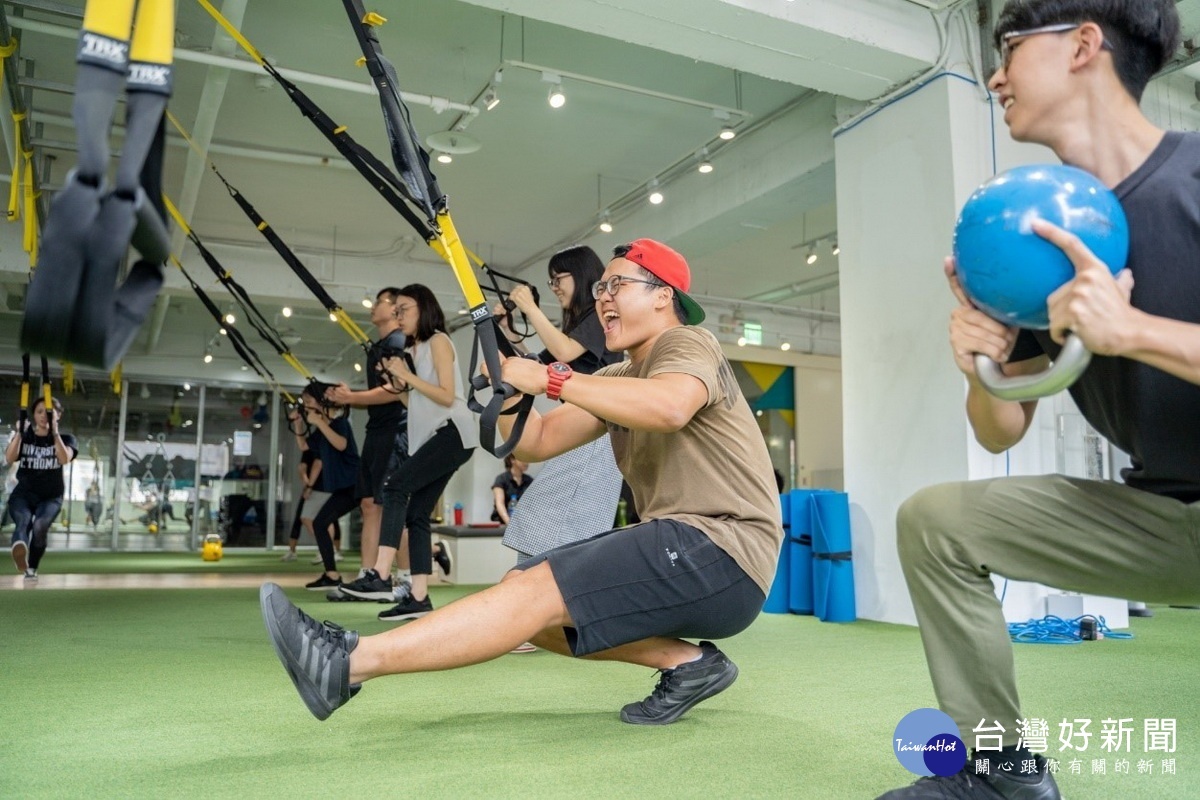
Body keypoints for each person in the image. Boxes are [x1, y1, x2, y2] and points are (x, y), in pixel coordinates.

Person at [260, 238, 783, 727]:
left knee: (539, 587)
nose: (603, 299)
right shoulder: (615, 378)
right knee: (527, 604)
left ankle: (349, 662)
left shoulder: (687, 342)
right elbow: (537, 440)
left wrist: (552, 378)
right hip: (690, 550)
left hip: (723, 548)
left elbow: (669, 407)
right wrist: (505, 393)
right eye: (600, 288)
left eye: (616, 285)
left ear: (664, 296)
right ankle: (691, 663)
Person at [879, 3, 1200, 798]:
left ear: (1085, 44)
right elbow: (999, 432)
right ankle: (1000, 776)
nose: (994, 75)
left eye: (1011, 50)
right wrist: (980, 367)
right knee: (937, 521)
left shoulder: (1193, 182)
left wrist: (1134, 331)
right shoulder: (1031, 228)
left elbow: (1128, 336)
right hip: (1163, 517)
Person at [339, 284, 477, 619]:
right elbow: (413, 401)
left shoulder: (439, 341)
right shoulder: (414, 352)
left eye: (404, 309)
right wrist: (400, 383)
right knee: (417, 515)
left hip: (453, 433)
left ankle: (381, 573)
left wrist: (405, 377)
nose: (398, 317)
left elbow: (446, 396)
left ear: (424, 308)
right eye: (395, 311)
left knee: (395, 486)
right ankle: (418, 597)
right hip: (437, 435)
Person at [493, 244, 625, 559]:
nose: (554, 288)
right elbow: (538, 365)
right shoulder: (579, 325)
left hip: (595, 428)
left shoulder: (599, 313)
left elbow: (565, 352)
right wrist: (504, 330)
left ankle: (543, 587)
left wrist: (531, 309)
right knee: (557, 522)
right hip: (579, 426)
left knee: (557, 522)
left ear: (579, 275)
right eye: (551, 281)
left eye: (559, 279)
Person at [326, 287, 410, 594]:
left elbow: (395, 389)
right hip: (376, 431)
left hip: (396, 431)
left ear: (395, 310)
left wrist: (353, 397)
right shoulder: (381, 345)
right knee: (368, 504)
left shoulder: (399, 342)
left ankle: (406, 578)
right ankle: (370, 575)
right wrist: (348, 397)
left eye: (380, 302)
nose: (374, 307)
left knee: (390, 506)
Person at [288, 385, 360, 591]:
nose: (307, 406)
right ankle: (332, 575)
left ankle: (333, 575)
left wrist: (319, 421)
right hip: (343, 487)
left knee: (321, 523)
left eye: (309, 402)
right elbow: (304, 446)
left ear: (322, 402)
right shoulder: (322, 430)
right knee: (320, 524)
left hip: (356, 484)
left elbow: (341, 444)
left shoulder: (340, 422)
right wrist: (299, 425)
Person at [5, 396, 78, 579]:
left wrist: (54, 434)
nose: (43, 416)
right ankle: (20, 550)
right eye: (39, 412)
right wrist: (20, 434)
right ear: (34, 416)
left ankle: (32, 567)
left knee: (40, 526)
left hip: (51, 497)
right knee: (23, 521)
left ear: (58, 415)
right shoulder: (26, 436)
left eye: (48, 412)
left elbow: (64, 459)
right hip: (23, 495)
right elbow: (10, 458)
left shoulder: (67, 439)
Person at [490, 455, 531, 524]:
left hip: (521, 523)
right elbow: (499, 503)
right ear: (512, 460)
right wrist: (509, 523)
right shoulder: (502, 479)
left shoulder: (529, 480)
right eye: (524, 459)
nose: (526, 463)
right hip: (502, 523)